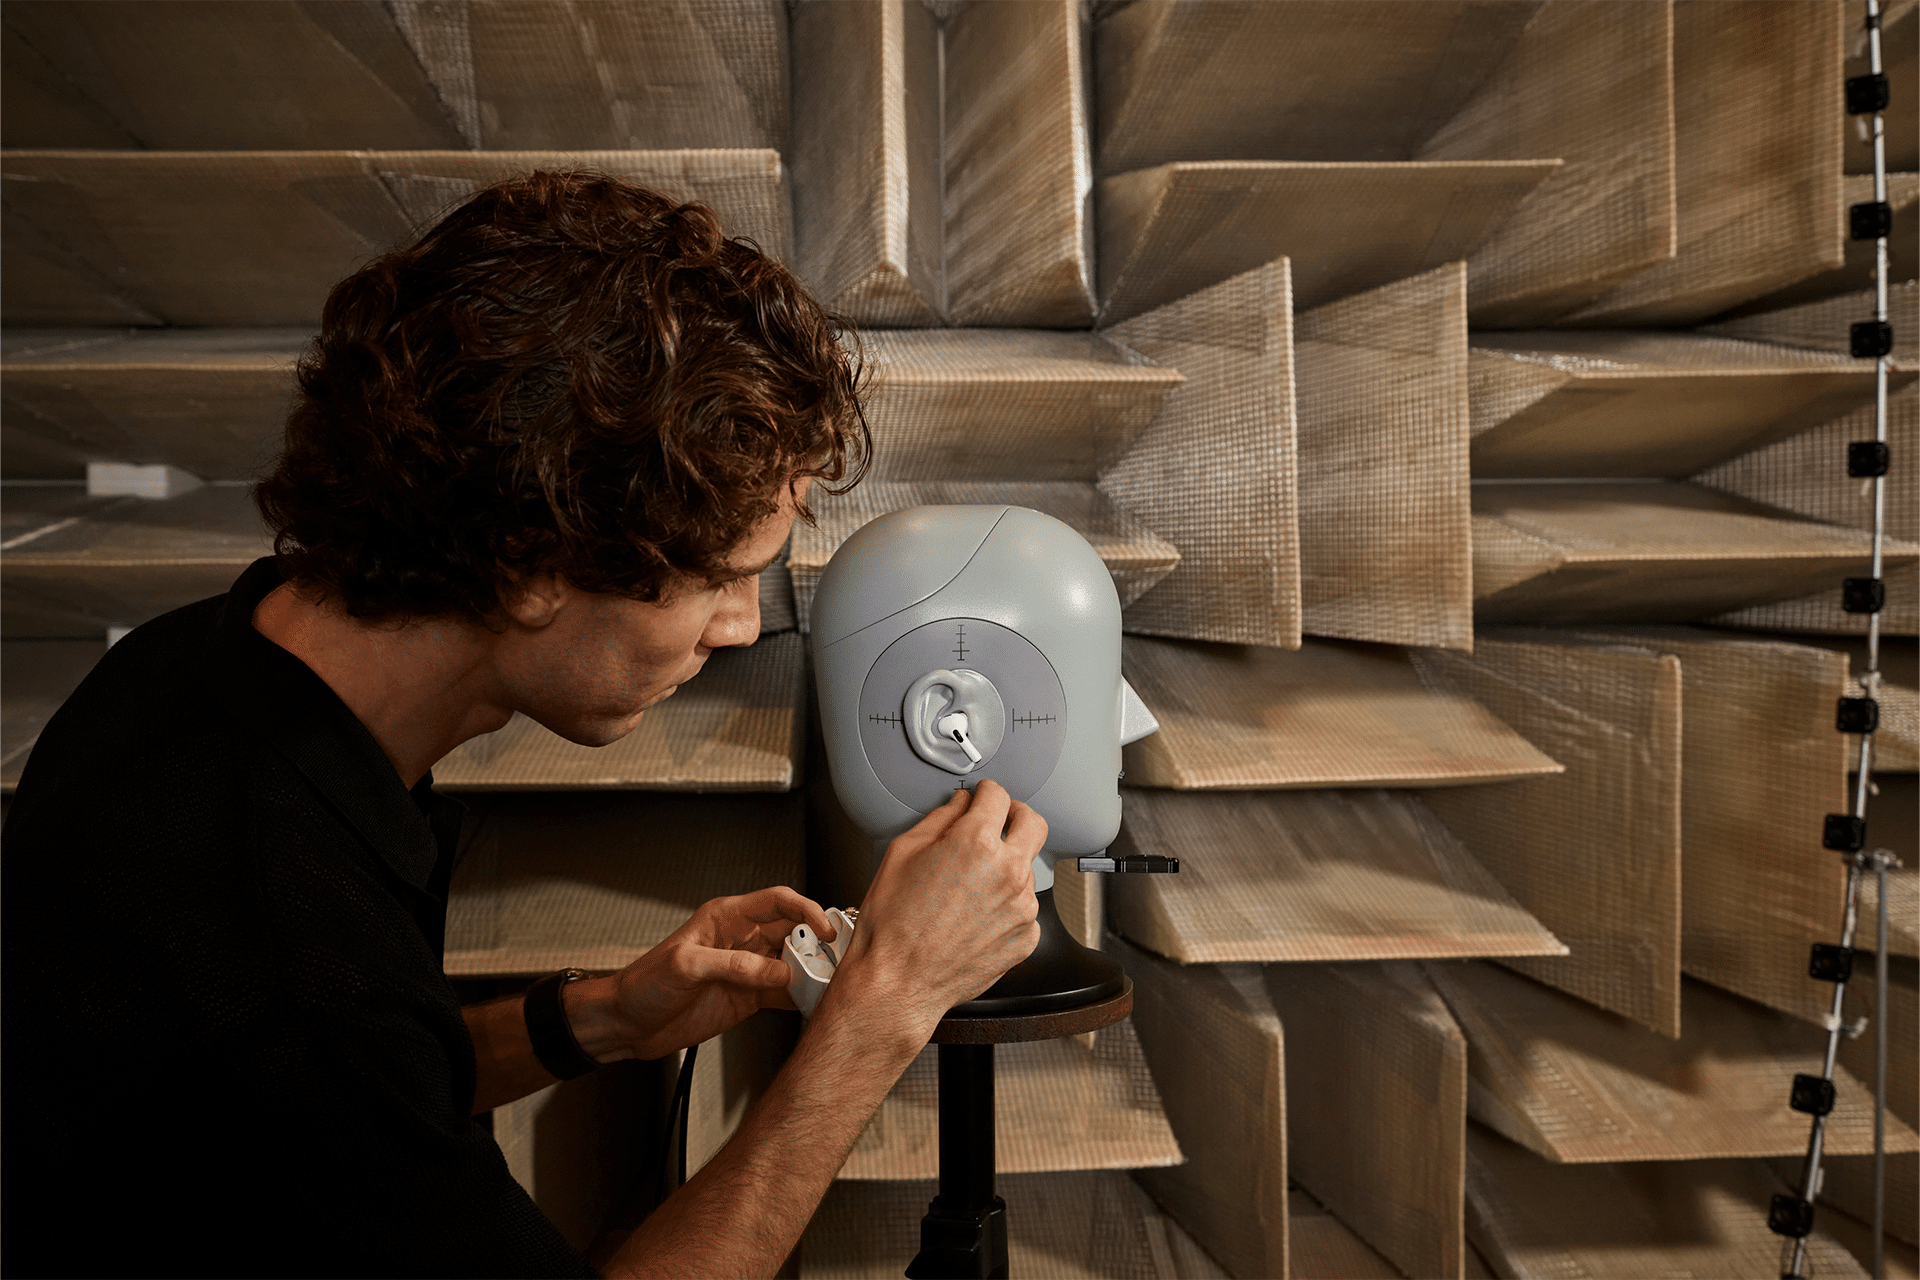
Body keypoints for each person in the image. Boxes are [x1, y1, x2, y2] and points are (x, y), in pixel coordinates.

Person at [2, 172, 1045, 1278]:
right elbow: (318, 1040)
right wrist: (882, 1006)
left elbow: (362, 1105)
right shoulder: (275, 940)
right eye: (721, 578)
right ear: (532, 565)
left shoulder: (203, 671)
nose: (741, 628)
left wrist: (601, 1019)